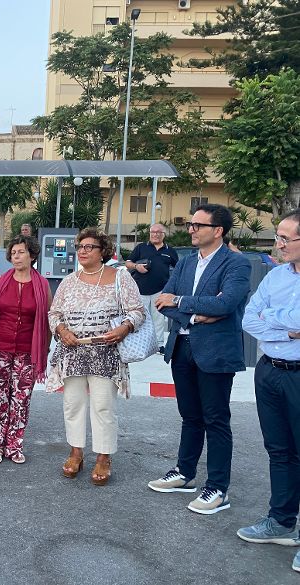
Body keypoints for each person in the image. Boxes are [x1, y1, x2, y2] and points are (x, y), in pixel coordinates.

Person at [149, 204, 251, 514]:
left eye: (198, 225)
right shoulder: (186, 263)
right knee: (190, 416)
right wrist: (195, 315)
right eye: (192, 224)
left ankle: (218, 488)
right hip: (182, 347)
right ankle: (185, 473)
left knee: (216, 420)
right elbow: (161, 302)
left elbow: (228, 303)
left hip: (216, 352)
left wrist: (182, 302)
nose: (191, 229)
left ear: (218, 231)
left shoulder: (236, 264)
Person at [47, 228, 145, 486]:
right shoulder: (69, 281)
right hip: (73, 351)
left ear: (104, 252)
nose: (82, 250)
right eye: (80, 246)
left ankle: (103, 456)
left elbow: (137, 311)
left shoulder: (120, 278)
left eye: (89, 247)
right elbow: (53, 314)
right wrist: (62, 330)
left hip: (106, 352)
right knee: (73, 404)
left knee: (103, 406)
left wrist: (124, 328)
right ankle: (76, 452)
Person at [237, 209, 300, 574]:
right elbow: (249, 318)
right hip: (270, 371)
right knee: (279, 450)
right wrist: (287, 328)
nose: (277, 244)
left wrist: (274, 322)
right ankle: (281, 521)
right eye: (278, 236)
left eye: (285, 238)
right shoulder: (276, 276)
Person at [0, 235, 51, 464]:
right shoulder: (1, 280)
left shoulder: (42, 285)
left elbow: (47, 321)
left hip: (27, 351)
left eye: (21, 252)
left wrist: (44, 351)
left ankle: (14, 446)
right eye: (14, 252)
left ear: (32, 255)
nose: (16, 256)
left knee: (20, 400)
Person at [125, 223, 178, 353]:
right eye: (152, 232)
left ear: (163, 234)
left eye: (158, 232)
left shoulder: (169, 251)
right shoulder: (141, 247)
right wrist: (137, 267)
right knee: (139, 318)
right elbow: (128, 263)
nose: (155, 234)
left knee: (158, 319)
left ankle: (159, 345)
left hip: (160, 290)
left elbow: (178, 268)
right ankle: (139, 344)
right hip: (140, 290)